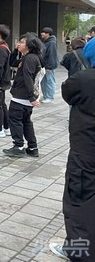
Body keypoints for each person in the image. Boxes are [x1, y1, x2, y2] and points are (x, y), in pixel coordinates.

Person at [49, 38, 95, 260]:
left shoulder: (84, 79)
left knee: (79, 203)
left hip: (86, 153)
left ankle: (78, 253)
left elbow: (68, 92)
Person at [2, 32, 44, 157]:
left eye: (21, 42)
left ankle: (18, 146)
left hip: (22, 96)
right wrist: (16, 51)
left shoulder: (29, 58)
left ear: (29, 45)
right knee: (26, 121)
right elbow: (12, 63)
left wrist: (31, 96)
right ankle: (32, 147)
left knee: (15, 120)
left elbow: (28, 77)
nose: (18, 44)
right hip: (25, 96)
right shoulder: (30, 57)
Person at [40, 27, 59, 103]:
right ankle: (45, 95)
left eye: (44, 32)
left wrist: (49, 67)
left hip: (49, 66)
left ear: (48, 34)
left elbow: (51, 55)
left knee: (49, 81)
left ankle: (50, 97)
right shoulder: (46, 42)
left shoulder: (51, 43)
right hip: (44, 65)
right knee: (44, 81)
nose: (41, 33)